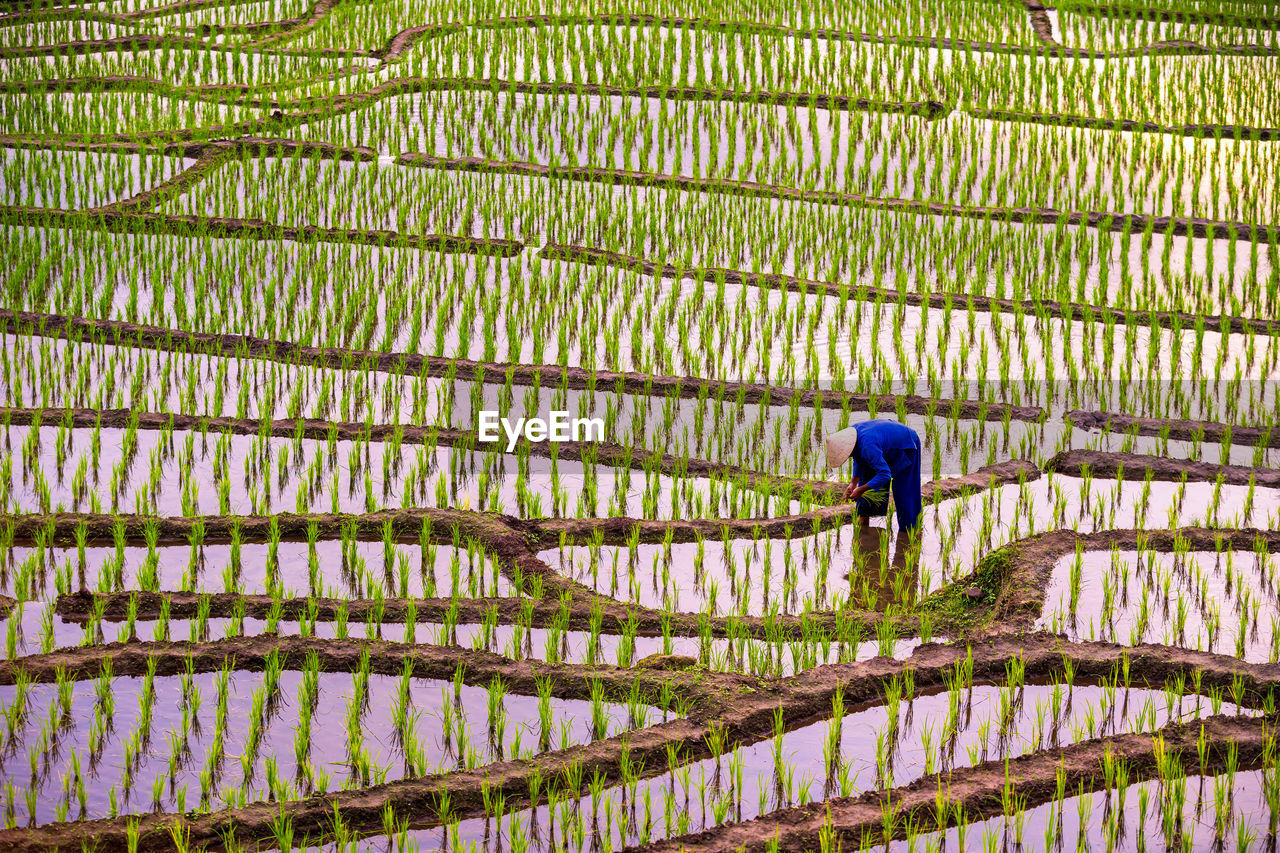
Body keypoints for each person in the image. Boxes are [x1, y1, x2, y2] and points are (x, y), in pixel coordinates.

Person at [825, 420, 923, 534]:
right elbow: (859, 458)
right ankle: (863, 530)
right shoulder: (853, 438)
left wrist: (860, 490)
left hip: (906, 445)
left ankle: (910, 532)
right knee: (867, 481)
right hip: (883, 446)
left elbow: (885, 475)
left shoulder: (867, 444)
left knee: (904, 492)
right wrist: (853, 483)